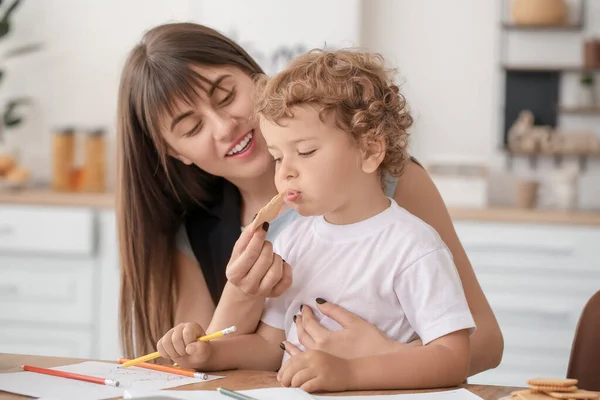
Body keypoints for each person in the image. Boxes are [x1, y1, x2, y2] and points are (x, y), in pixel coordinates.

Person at [116, 22, 503, 375]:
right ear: (176, 153)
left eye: (226, 95)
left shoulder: (389, 187)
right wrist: (240, 295)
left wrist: (379, 358)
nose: (224, 127)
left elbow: (483, 343)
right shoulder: (201, 232)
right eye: (193, 126)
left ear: (257, 79)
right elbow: (204, 371)